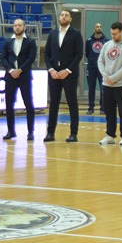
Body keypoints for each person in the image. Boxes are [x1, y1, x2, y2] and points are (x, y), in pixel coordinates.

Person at [44, 9, 83, 143]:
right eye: (62, 15)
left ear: (70, 19)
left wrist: (68, 70)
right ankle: (50, 133)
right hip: (54, 74)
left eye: (66, 15)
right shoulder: (53, 33)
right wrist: (51, 70)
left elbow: (79, 54)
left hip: (69, 75)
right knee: (53, 103)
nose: (64, 17)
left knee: (72, 103)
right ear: (59, 18)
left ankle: (73, 133)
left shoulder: (76, 34)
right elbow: (46, 53)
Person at [97, 22, 122, 146]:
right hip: (107, 84)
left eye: (115, 34)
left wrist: (114, 78)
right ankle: (110, 135)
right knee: (109, 111)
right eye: (112, 34)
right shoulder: (107, 45)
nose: (113, 36)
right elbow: (100, 61)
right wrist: (106, 76)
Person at [1, 18, 37, 140]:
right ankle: (11, 131)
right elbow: (3, 58)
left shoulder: (30, 41)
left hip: (24, 77)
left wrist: (20, 70)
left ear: (24, 27)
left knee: (28, 104)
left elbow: (31, 58)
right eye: (15, 25)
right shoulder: (7, 41)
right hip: (10, 77)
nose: (17, 27)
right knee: (9, 104)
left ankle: (30, 131)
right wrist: (11, 70)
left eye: (19, 25)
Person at [85, 23, 107, 115]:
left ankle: (103, 108)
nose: (99, 28)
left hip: (102, 69)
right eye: (97, 27)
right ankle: (91, 107)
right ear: (94, 28)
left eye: (100, 27)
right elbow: (87, 53)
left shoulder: (106, 41)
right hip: (91, 68)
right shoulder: (89, 41)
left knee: (103, 88)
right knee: (91, 88)